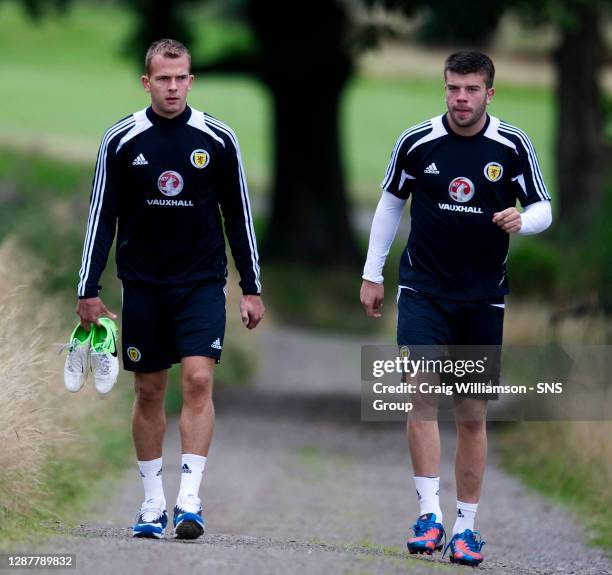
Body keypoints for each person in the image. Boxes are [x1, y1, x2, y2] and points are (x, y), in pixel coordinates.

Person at [360, 50, 551, 566]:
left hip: (482, 296)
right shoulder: (418, 142)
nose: (460, 98)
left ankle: (466, 528)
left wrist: (522, 221)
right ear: (444, 89)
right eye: (452, 88)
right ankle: (429, 515)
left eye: (471, 89)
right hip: (423, 289)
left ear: (490, 92)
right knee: (419, 393)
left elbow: (543, 207)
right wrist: (373, 273)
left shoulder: (512, 146)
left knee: (470, 413)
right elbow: (389, 203)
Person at [73, 38, 265, 540]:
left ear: (191, 80)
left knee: (199, 380)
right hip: (143, 284)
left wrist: (251, 286)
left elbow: (239, 214)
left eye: (181, 78)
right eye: (163, 78)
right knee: (150, 388)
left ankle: (189, 500)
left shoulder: (218, 139)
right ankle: (152, 502)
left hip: (201, 282)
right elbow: (102, 217)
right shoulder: (121, 140)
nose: (173, 87)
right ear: (147, 82)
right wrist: (88, 288)